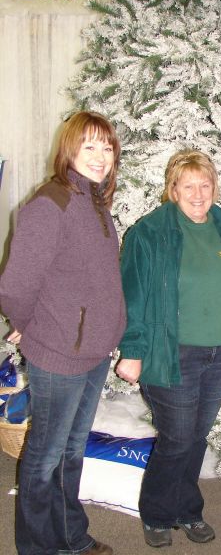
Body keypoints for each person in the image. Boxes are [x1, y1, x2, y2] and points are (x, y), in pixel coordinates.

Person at [116, 149, 221, 549]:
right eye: (188, 185)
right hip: (172, 352)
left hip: (220, 351)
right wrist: (132, 348)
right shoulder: (150, 232)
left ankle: (187, 509)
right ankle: (158, 512)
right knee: (177, 438)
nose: (198, 194)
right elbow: (133, 296)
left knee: (197, 435)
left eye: (205, 185)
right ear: (173, 189)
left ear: (214, 187)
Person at [0, 111, 126, 555]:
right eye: (88, 145)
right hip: (58, 354)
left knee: (72, 451)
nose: (99, 155)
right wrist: (26, 323)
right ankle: (38, 548)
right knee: (44, 457)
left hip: (92, 351)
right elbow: (15, 285)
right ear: (68, 150)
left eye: (106, 146)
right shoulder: (49, 204)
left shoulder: (95, 202)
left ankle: (71, 537)